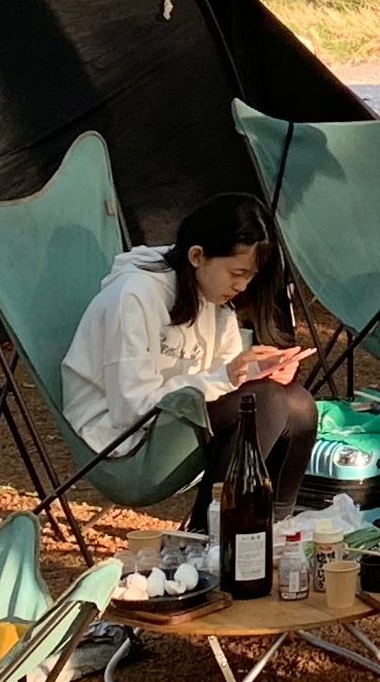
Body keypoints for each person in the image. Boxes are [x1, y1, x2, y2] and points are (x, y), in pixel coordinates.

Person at [62, 192, 315, 519]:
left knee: (299, 405)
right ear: (197, 256)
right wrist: (228, 377)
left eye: (250, 276)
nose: (242, 286)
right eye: (237, 273)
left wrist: (253, 372)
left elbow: (222, 383)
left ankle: (275, 525)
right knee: (264, 401)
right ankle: (206, 533)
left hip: (176, 425)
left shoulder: (214, 298)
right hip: (121, 444)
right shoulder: (133, 297)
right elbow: (132, 409)